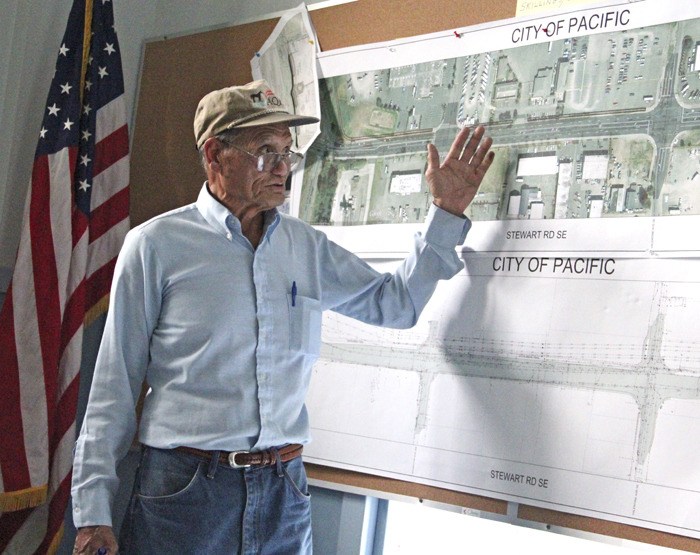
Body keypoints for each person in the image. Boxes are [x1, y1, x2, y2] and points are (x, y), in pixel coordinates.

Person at [71, 79, 494, 554]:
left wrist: (445, 213)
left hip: (284, 490)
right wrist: (92, 513)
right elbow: (114, 387)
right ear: (214, 155)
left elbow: (396, 305)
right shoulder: (156, 246)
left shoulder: (305, 248)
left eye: (287, 154)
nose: (282, 169)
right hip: (185, 491)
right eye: (264, 151)